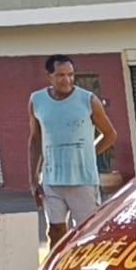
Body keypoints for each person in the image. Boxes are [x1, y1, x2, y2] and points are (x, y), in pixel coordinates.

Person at [28, 55, 118, 248]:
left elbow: (110, 135)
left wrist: (88, 153)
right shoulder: (37, 100)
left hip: (83, 180)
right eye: (60, 75)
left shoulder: (88, 100)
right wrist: (33, 179)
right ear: (49, 76)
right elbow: (35, 141)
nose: (66, 80)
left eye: (70, 75)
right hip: (52, 180)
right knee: (56, 232)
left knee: (88, 234)